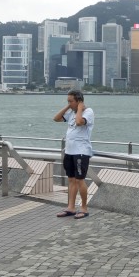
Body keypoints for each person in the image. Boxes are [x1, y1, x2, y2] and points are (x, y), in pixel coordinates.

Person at [54, 89, 94, 219]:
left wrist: (81, 108)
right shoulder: (71, 112)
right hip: (69, 151)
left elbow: (79, 122)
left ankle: (84, 208)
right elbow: (56, 118)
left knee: (79, 180)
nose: (69, 103)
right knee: (71, 179)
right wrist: (68, 106)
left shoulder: (88, 112)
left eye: (71, 101)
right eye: (68, 101)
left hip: (81, 152)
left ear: (79, 101)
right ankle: (70, 207)